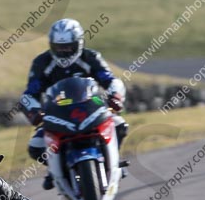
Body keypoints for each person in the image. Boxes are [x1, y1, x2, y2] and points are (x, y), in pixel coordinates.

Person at [20, 18, 128, 190]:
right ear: (51, 45)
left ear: (79, 43)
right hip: (56, 114)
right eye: (59, 47)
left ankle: (113, 162)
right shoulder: (42, 63)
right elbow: (29, 94)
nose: (64, 52)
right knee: (35, 146)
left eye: (68, 47)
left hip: (92, 105)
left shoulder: (91, 57)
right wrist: (34, 111)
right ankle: (55, 171)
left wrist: (115, 96)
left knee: (119, 125)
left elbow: (111, 80)